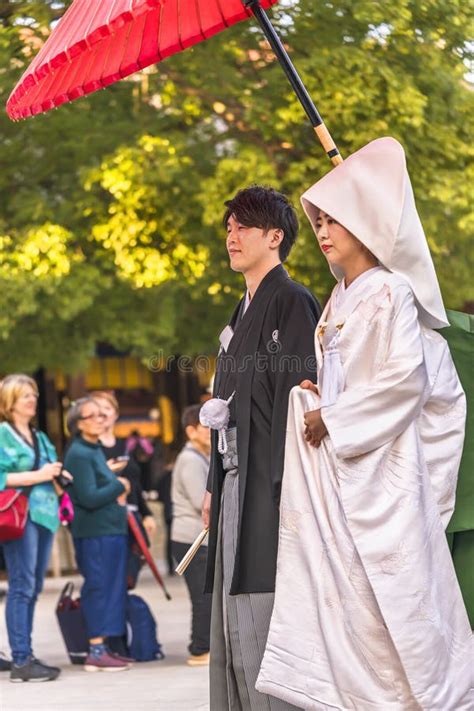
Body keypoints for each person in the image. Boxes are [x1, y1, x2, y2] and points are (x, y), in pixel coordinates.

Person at [256, 138, 472, 709]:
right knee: (351, 603)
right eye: (320, 221)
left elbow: (405, 380)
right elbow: (349, 378)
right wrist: (319, 396)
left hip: (384, 472)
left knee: (395, 598)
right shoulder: (338, 298)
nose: (323, 232)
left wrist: (337, 416)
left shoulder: (393, 291)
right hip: (343, 470)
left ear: (367, 225)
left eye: (336, 221)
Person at [201, 185, 321, 710]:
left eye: (243, 226)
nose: (232, 234)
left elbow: (299, 405)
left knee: (265, 621)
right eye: (228, 226)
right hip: (233, 484)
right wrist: (212, 486)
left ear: (275, 237)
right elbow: (223, 406)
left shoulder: (292, 301)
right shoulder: (239, 310)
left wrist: (287, 491)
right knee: (232, 624)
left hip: (271, 489)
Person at [0, 374, 69, 682]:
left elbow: (52, 472)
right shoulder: (2, 434)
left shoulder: (39, 436)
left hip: (44, 514)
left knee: (34, 587)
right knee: (22, 585)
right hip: (19, 516)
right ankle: (21, 660)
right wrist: (40, 474)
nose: (32, 399)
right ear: (10, 401)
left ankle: (25, 654)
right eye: (25, 395)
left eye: (33, 394)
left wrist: (56, 475)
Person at [64, 397, 132, 673]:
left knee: (111, 587)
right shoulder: (79, 452)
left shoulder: (92, 450)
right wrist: (120, 484)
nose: (98, 420)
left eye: (100, 415)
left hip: (110, 530)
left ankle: (105, 647)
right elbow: (89, 497)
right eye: (90, 416)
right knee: (99, 587)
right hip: (95, 532)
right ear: (77, 424)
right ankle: (96, 649)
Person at [171, 404, 212, 667]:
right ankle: (199, 649)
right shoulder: (190, 459)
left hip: (197, 538)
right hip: (192, 539)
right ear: (190, 431)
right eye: (205, 426)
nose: (211, 431)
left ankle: (203, 646)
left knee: (205, 595)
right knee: (202, 596)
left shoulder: (202, 457)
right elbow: (202, 501)